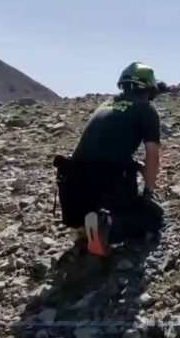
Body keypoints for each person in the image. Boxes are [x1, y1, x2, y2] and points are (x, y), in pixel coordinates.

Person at [53, 62, 165, 256]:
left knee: (112, 187)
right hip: (105, 179)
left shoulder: (106, 104)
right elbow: (153, 155)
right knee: (152, 218)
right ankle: (107, 227)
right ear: (148, 89)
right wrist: (148, 192)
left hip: (73, 182)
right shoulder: (146, 109)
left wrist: (134, 165)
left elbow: (101, 146)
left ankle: (86, 227)